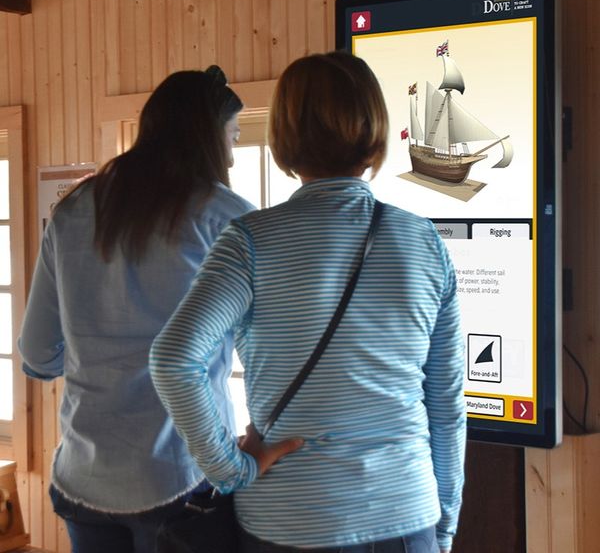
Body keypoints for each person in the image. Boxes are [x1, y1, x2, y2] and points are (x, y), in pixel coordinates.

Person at [150, 51, 466, 553]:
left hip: (287, 523)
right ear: (376, 132)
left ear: (283, 138)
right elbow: (446, 404)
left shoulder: (249, 241)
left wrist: (229, 469)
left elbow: (172, 359)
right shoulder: (424, 243)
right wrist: (444, 522)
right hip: (405, 516)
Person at [18, 66, 257, 553]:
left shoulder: (72, 210)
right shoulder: (226, 217)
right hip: (182, 476)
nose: (232, 150)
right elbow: (268, 348)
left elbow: (37, 356)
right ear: (208, 139)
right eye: (231, 136)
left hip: (84, 477)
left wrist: (99, 353)